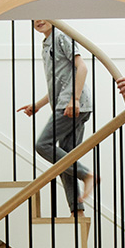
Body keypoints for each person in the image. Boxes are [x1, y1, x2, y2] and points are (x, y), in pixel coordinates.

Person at [18, 20, 93, 215]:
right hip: (70, 104)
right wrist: (38, 105)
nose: (38, 21)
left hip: (71, 105)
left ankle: (86, 175)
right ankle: (77, 211)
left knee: (42, 145)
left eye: (43, 15)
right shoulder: (47, 44)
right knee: (65, 160)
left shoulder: (60, 37)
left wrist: (74, 100)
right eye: (33, 19)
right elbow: (59, 82)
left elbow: (82, 67)